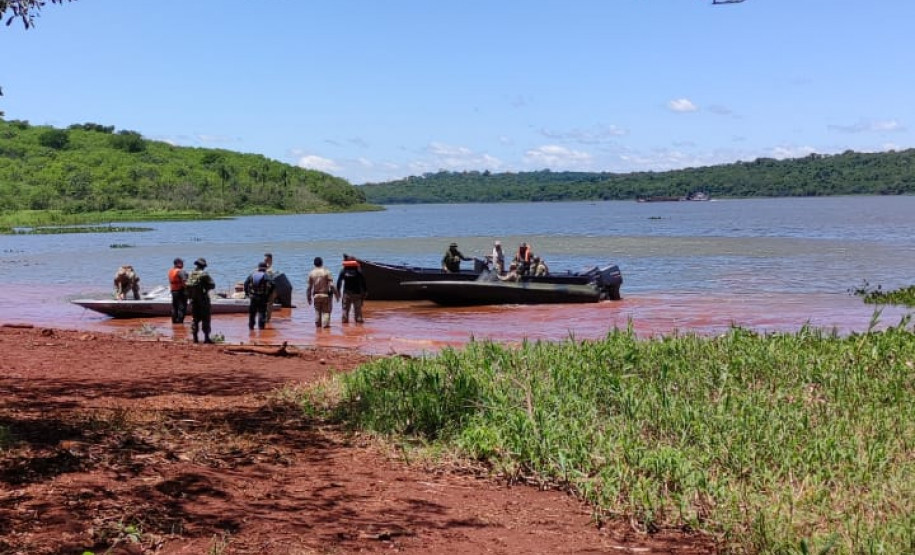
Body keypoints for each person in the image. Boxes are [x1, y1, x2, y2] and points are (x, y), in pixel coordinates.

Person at [185, 258, 216, 344]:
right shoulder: (204, 274)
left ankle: (195, 338)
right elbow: (213, 285)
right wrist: (206, 288)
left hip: (193, 300)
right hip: (203, 300)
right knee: (206, 318)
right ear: (203, 266)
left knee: (195, 319)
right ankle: (206, 338)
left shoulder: (190, 274)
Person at [307, 256, 339, 328]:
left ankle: (318, 330)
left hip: (316, 296)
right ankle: (326, 330)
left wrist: (308, 297)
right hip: (325, 295)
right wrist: (336, 295)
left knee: (317, 312)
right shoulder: (326, 272)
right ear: (322, 263)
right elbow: (332, 285)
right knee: (326, 312)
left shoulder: (311, 273)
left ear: (314, 264)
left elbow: (309, 288)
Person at [336, 254, 368, 323]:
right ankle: (359, 326)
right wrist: (365, 291)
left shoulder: (343, 271)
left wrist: (338, 291)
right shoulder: (358, 271)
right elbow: (363, 282)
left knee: (345, 310)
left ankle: (345, 326)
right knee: (358, 311)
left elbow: (339, 282)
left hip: (346, 294)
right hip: (357, 294)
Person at [244, 261, 275, 330]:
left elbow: (246, 283)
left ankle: (251, 327)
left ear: (258, 268)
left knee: (252, 313)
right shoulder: (266, 275)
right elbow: (273, 284)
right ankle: (261, 328)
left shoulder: (252, 275)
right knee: (262, 312)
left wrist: (247, 293)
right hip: (262, 297)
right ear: (265, 268)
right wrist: (268, 294)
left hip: (253, 297)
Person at [167, 258, 188, 323]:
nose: (183, 264)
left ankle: (174, 321)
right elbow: (184, 282)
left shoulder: (171, 271)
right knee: (182, 307)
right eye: (182, 263)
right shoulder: (181, 271)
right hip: (180, 291)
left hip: (173, 291)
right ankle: (180, 322)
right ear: (179, 263)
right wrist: (188, 290)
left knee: (174, 307)